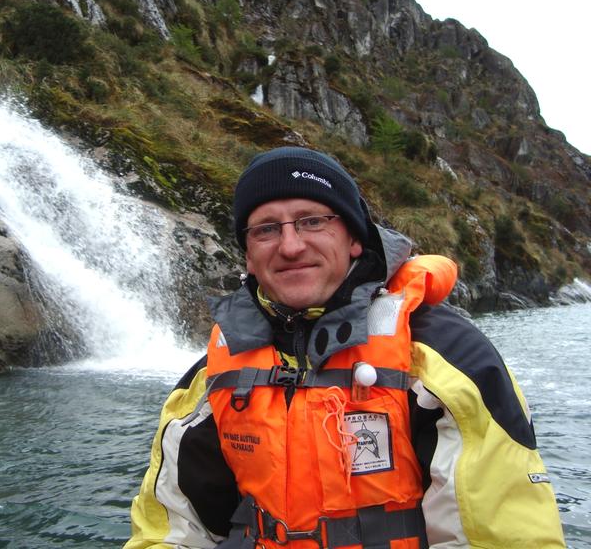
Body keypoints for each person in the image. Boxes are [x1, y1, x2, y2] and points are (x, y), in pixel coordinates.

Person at [125, 146, 565, 549]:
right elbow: (172, 530)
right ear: (247, 254)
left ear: (354, 237)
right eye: (266, 229)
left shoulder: (443, 358)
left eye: (313, 221)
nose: (291, 245)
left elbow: (501, 535)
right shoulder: (212, 379)